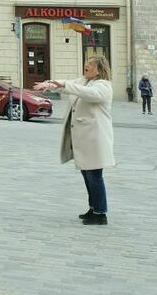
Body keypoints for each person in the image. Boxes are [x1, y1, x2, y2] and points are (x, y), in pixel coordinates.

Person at [36, 56, 115, 225]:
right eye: (86, 63)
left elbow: (87, 93)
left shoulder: (104, 86)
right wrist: (50, 85)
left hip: (95, 138)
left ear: (99, 70)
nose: (86, 66)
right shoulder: (84, 81)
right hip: (85, 138)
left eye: (91, 65)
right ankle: (93, 207)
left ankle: (101, 213)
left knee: (94, 175)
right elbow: (67, 85)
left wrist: (65, 85)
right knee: (87, 173)